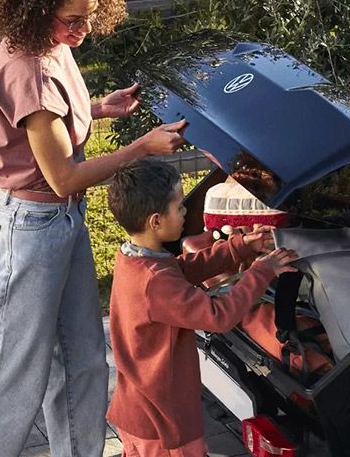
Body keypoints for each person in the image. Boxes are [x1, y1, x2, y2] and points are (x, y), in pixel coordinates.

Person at [0, 0, 188, 457]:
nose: (83, 30)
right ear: (38, 8)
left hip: (58, 225)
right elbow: (64, 177)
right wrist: (141, 147)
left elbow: (51, 123)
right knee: (9, 379)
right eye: (72, 20)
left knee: (82, 362)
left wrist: (97, 108)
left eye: (90, 17)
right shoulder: (30, 68)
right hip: (26, 232)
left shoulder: (50, 45)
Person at [104, 158, 299, 457]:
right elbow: (218, 316)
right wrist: (263, 270)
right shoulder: (155, 281)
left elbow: (182, 269)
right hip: (164, 424)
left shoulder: (135, 259)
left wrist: (241, 246)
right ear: (155, 221)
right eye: (179, 207)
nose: (185, 212)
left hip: (138, 408)